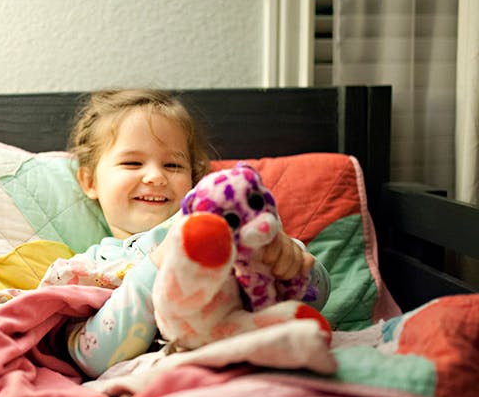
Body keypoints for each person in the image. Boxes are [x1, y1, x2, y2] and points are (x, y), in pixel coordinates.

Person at [39, 88, 330, 378]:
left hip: (256, 368)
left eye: (173, 165)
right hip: (165, 381)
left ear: (194, 179)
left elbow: (315, 303)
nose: (156, 176)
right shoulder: (90, 267)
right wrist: (160, 261)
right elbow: (93, 359)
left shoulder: (229, 228)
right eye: (132, 163)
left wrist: (291, 265)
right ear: (89, 180)